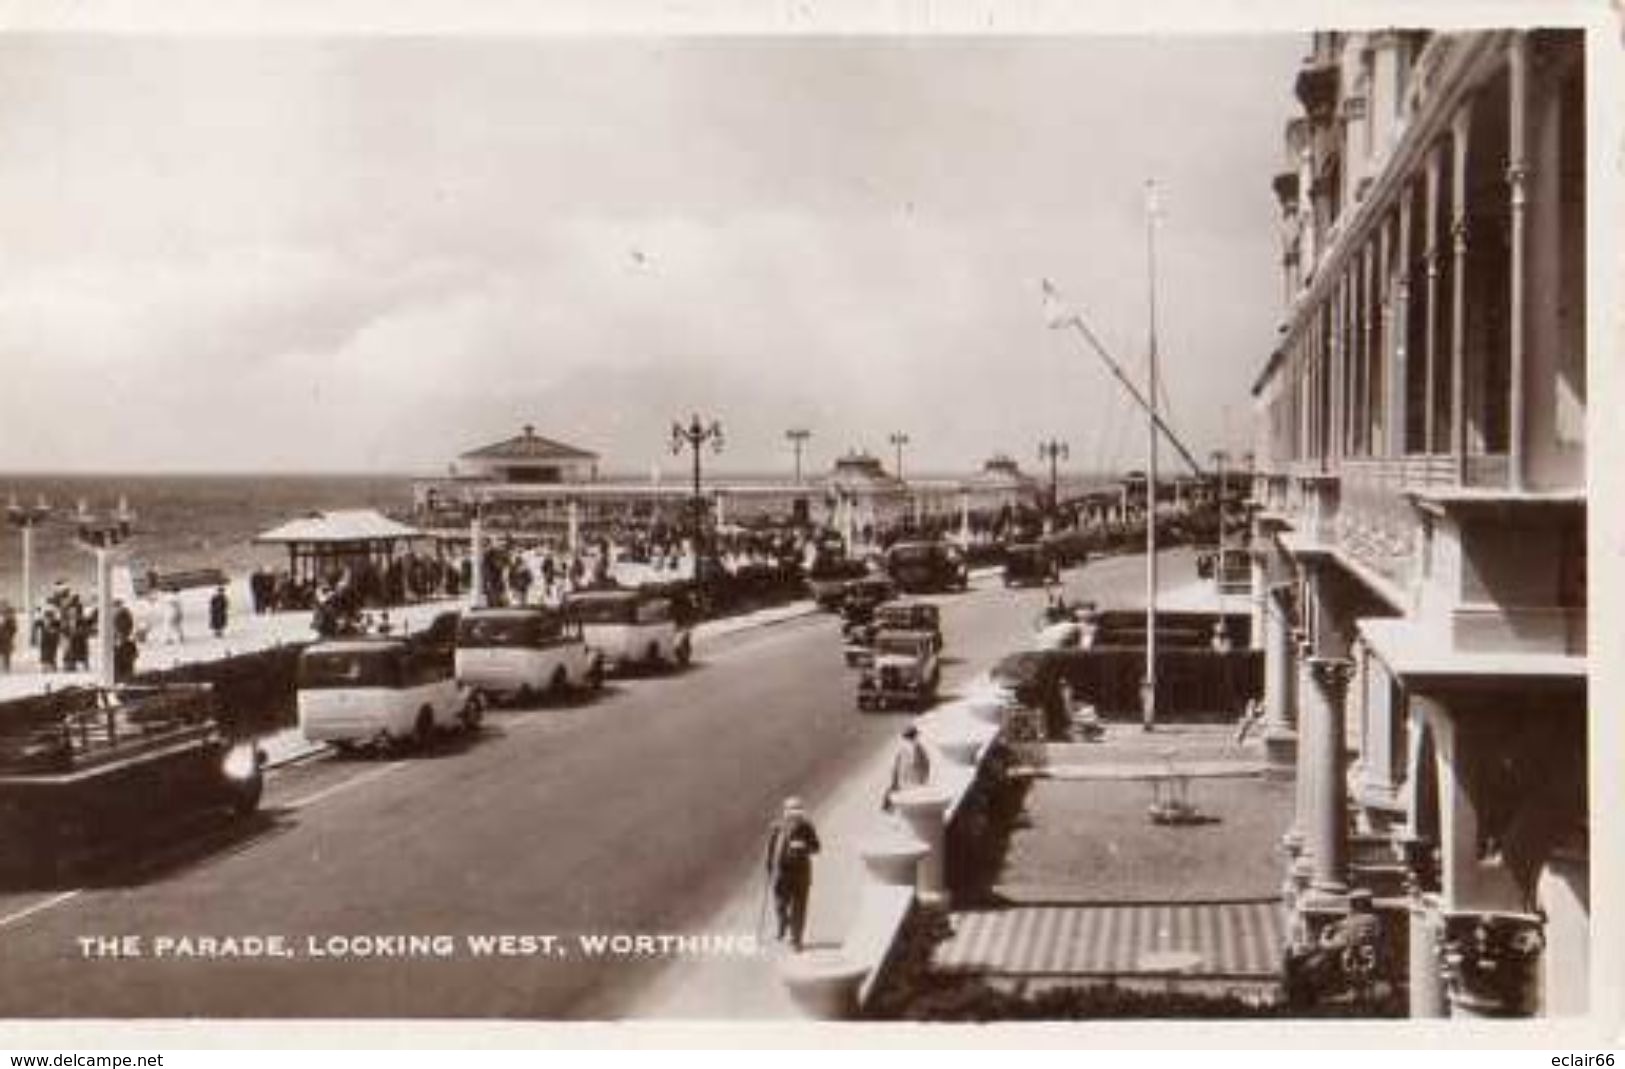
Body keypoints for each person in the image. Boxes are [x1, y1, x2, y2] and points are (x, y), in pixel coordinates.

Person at [764, 797, 821, 952]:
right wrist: (768, 868)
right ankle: (783, 924)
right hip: (781, 874)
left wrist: (805, 845)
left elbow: (817, 847)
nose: (794, 815)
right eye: (790, 811)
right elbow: (770, 849)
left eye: (797, 811)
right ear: (785, 812)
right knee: (780, 905)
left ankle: (797, 940)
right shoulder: (777, 827)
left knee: (799, 908)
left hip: (801, 875)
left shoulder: (807, 827)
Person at [883, 725, 932, 811]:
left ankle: (889, 809)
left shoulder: (902, 748)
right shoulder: (918, 747)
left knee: (903, 800)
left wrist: (894, 780)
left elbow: (896, 766)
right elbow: (926, 764)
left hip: (905, 780)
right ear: (915, 736)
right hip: (915, 781)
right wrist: (924, 779)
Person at [0, 603, 15, 673]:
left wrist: (8, 635)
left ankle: (6, 669)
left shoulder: (10, 618)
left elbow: (14, 629)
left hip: (6, 639)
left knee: (6, 655)